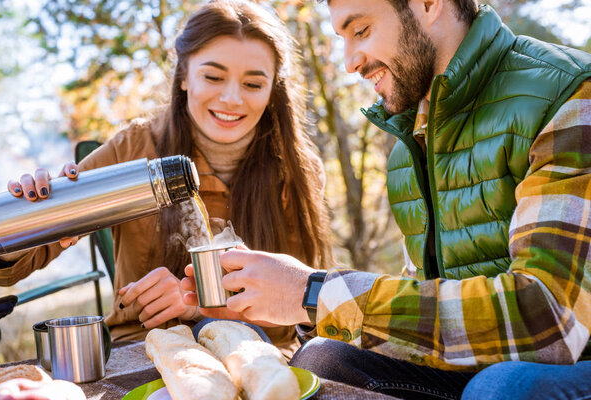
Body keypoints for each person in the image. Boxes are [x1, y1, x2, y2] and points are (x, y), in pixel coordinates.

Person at [181, 0, 591, 398]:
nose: (349, 62)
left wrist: (313, 291)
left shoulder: (569, 95)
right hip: (478, 364)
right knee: (325, 359)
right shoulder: (408, 142)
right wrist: (290, 304)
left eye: (361, 30)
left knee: (504, 388)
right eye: (342, 36)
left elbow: (550, 319)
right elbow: (427, 307)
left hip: (571, 363)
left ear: (429, 4)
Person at [0, 0, 332, 357]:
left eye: (253, 83)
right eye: (213, 77)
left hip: (262, 353)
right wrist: (28, 212)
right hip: (143, 350)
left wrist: (198, 303)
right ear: (184, 76)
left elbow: (300, 307)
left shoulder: (297, 169)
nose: (232, 98)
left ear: (272, 89)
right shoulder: (135, 147)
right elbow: (8, 269)